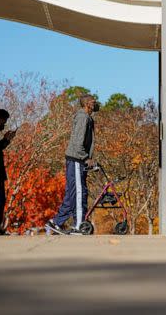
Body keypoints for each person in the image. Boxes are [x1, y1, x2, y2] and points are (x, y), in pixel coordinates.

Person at [46, 94, 98, 235]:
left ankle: (56, 223)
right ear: (87, 104)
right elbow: (77, 142)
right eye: (94, 102)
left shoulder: (87, 117)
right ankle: (79, 225)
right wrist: (86, 158)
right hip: (77, 159)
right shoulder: (83, 117)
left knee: (73, 193)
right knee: (79, 193)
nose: (96, 104)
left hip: (76, 160)